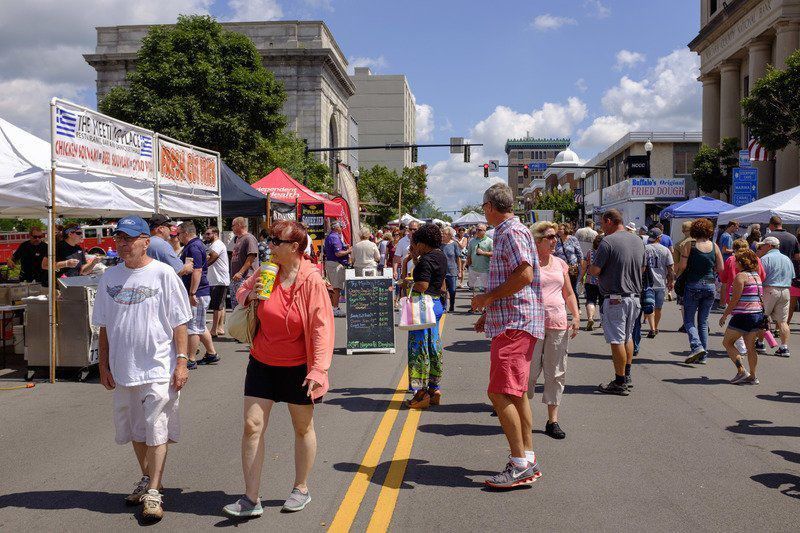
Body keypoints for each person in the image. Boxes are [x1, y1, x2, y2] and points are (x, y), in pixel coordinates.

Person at [225, 221, 333, 517]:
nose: (268, 246)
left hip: (299, 367)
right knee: (252, 426)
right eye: (268, 240)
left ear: (295, 248)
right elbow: (241, 292)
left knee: (302, 428)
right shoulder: (267, 270)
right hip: (262, 360)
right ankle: (250, 498)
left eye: (275, 241)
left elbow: (322, 328)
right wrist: (249, 295)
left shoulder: (311, 280)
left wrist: (318, 370)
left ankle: (301, 488)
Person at [92, 215, 192, 524]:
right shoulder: (110, 277)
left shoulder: (163, 274)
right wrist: (103, 364)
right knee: (136, 429)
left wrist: (182, 360)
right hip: (124, 369)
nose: (122, 244)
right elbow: (104, 327)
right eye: (118, 238)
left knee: (156, 427)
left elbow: (179, 322)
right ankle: (148, 479)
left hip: (158, 366)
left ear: (145, 241)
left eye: (128, 238)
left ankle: (154, 492)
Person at [471, 183, 544, 489]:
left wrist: (488, 299)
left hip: (515, 323)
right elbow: (518, 276)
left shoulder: (510, 232)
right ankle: (527, 457)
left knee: (499, 393)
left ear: (490, 207)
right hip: (513, 320)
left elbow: (524, 274)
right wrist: (490, 310)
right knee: (515, 393)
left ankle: (518, 464)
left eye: (483, 207)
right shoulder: (509, 231)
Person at [528, 221, 580, 440]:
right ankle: (521, 414)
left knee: (556, 372)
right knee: (528, 373)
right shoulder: (528, 264)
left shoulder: (560, 263)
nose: (554, 241)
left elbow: (568, 292)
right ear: (538, 240)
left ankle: (553, 420)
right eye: (550, 237)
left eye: (555, 237)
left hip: (557, 323)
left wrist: (576, 315)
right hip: (531, 324)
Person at [589, 209, 645, 395]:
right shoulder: (637, 240)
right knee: (627, 337)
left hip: (615, 298)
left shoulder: (608, 241)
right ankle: (626, 375)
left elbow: (595, 270)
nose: (601, 227)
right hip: (634, 297)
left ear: (609, 221)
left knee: (616, 340)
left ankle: (619, 381)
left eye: (602, 223)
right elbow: (642, 268)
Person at [405, 224, 448, 409]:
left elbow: (422, 284)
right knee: (433, 346)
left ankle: (420, 393)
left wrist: (407, 286)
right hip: (436, 304)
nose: (415, 246)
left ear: (423, 243)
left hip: (423, 308)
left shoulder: (426, 260)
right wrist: (415, 258)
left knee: (419, 349)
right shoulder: (440, 256)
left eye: (417, 243)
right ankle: (434, 389)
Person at [676, 218, 724, 364]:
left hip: (693, 284)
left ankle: (696, 346)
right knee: (703, 321)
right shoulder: (714, 246)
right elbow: (721, 268)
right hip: (710, 285)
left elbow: (683, 266)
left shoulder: (690, 245)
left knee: (689, 320)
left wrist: (676, 275)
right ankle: (703, 356)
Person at [719, 249, 765, 385]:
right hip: (756, 314)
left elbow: (734, 300)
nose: (735, 263)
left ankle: (741, 371)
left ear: (741, 262)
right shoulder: (756, 275)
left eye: (737, 261)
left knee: (727, 342)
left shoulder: (741, 277)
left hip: (743, 315)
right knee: (751, 347)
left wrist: (725, 315)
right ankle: (753, 376)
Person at [178, 222, 218, 368]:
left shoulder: (193, 246)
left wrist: (192, 292)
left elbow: (197, 270)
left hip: (198, 291)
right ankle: (211, 353)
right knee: (199, 325)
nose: (178, 237)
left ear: (186, 233)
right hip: (199, 291)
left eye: (179, 234)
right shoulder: (194, 245)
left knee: (193, 327)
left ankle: (191, 358)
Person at [757, 236, 794, 357]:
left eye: (763, 245)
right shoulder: (787, 259)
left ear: (769, 246)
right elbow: (792, 276)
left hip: (769, 289)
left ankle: (761, 343)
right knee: (783, 321)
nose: (761, 247)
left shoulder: (765, 258)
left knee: (763, 318)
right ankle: (784, 347)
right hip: (785, 290)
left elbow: (760, 276)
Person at [644, 228, 675, 337]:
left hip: (647, 283)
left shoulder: (645, 249)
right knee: (658, 307)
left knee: (649, 306)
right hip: (661, 283)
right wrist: (671, 281)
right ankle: (655, 327)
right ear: (659, 237)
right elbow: (670, 268)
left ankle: (652, 327)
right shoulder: (665, 250)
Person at [205, 226, 230, 337]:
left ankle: (214, 329)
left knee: (216, 306)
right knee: (220, 305)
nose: (206, 236)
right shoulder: (214, 245)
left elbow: (213, 256)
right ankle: (220, 327)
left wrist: (203, 266)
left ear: (215, 234)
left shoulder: (217, 244)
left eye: (208, 234)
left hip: (219, 279)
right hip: (217, 279)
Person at [229, 217, 260, 307]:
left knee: (244, 306)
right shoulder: (239, 239)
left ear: (239, 225)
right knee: (236, 306)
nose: (232, 228)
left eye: (233, 226)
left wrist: (240, 272)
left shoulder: (249, 238)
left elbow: (251, 257)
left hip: (245, 277)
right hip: (237, 278)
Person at [323, 221, 351, 317]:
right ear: (336, 228)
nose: (342, 228)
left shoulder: (331, 236)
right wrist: (348, 251)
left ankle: (333, 307)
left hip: (332, 263)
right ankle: (335, 308)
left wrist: (344, 247)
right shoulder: (334, 237)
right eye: (340, 227)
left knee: (334, 287)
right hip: (335, 264)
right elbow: (338, 253)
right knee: (336, 287)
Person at [581, 234, 603, 331]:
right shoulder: (606, 253)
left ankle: (590, 318)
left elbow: (584, 266)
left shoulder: (590, 253)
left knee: (590, 300)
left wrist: (581, 277)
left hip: (590, 280)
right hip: (603, 281)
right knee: (603, 302)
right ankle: (603, 322)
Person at [554, 222, 582, 296]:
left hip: (572, 268)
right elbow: (554, 254)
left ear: (565, 230)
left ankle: (576, 305)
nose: (559, 231)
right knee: (562, 288)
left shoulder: (573, 239)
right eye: (558, 229)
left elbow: (579, 253)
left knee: (573, 288)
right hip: (560, 268)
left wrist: (580, 266)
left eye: (561, 229)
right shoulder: (556, 240)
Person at [466, 224, 492, 296]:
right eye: (476, 229)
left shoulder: (490, 241)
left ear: (484, 231)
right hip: (473, 269)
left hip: (485, 269)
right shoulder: (472, 241)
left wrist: (483, 253)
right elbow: (469, 254)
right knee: (474, 289)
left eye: (479, 230)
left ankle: (485, 305)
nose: (477, 231)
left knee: (485, 289)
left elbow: (494, 253)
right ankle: (475, 305)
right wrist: (469, 266)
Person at [440, 227, 462, 313]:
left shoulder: (454, 244)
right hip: (442, 271)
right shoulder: (440, 245)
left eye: (444, 234)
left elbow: (458, 258)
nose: (442, 235)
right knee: (443, 290)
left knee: (452, 290)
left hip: (452, 271)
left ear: (449, 235)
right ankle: (444, 307)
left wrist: (459, 270)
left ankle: (452, 305)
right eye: (442, 234)